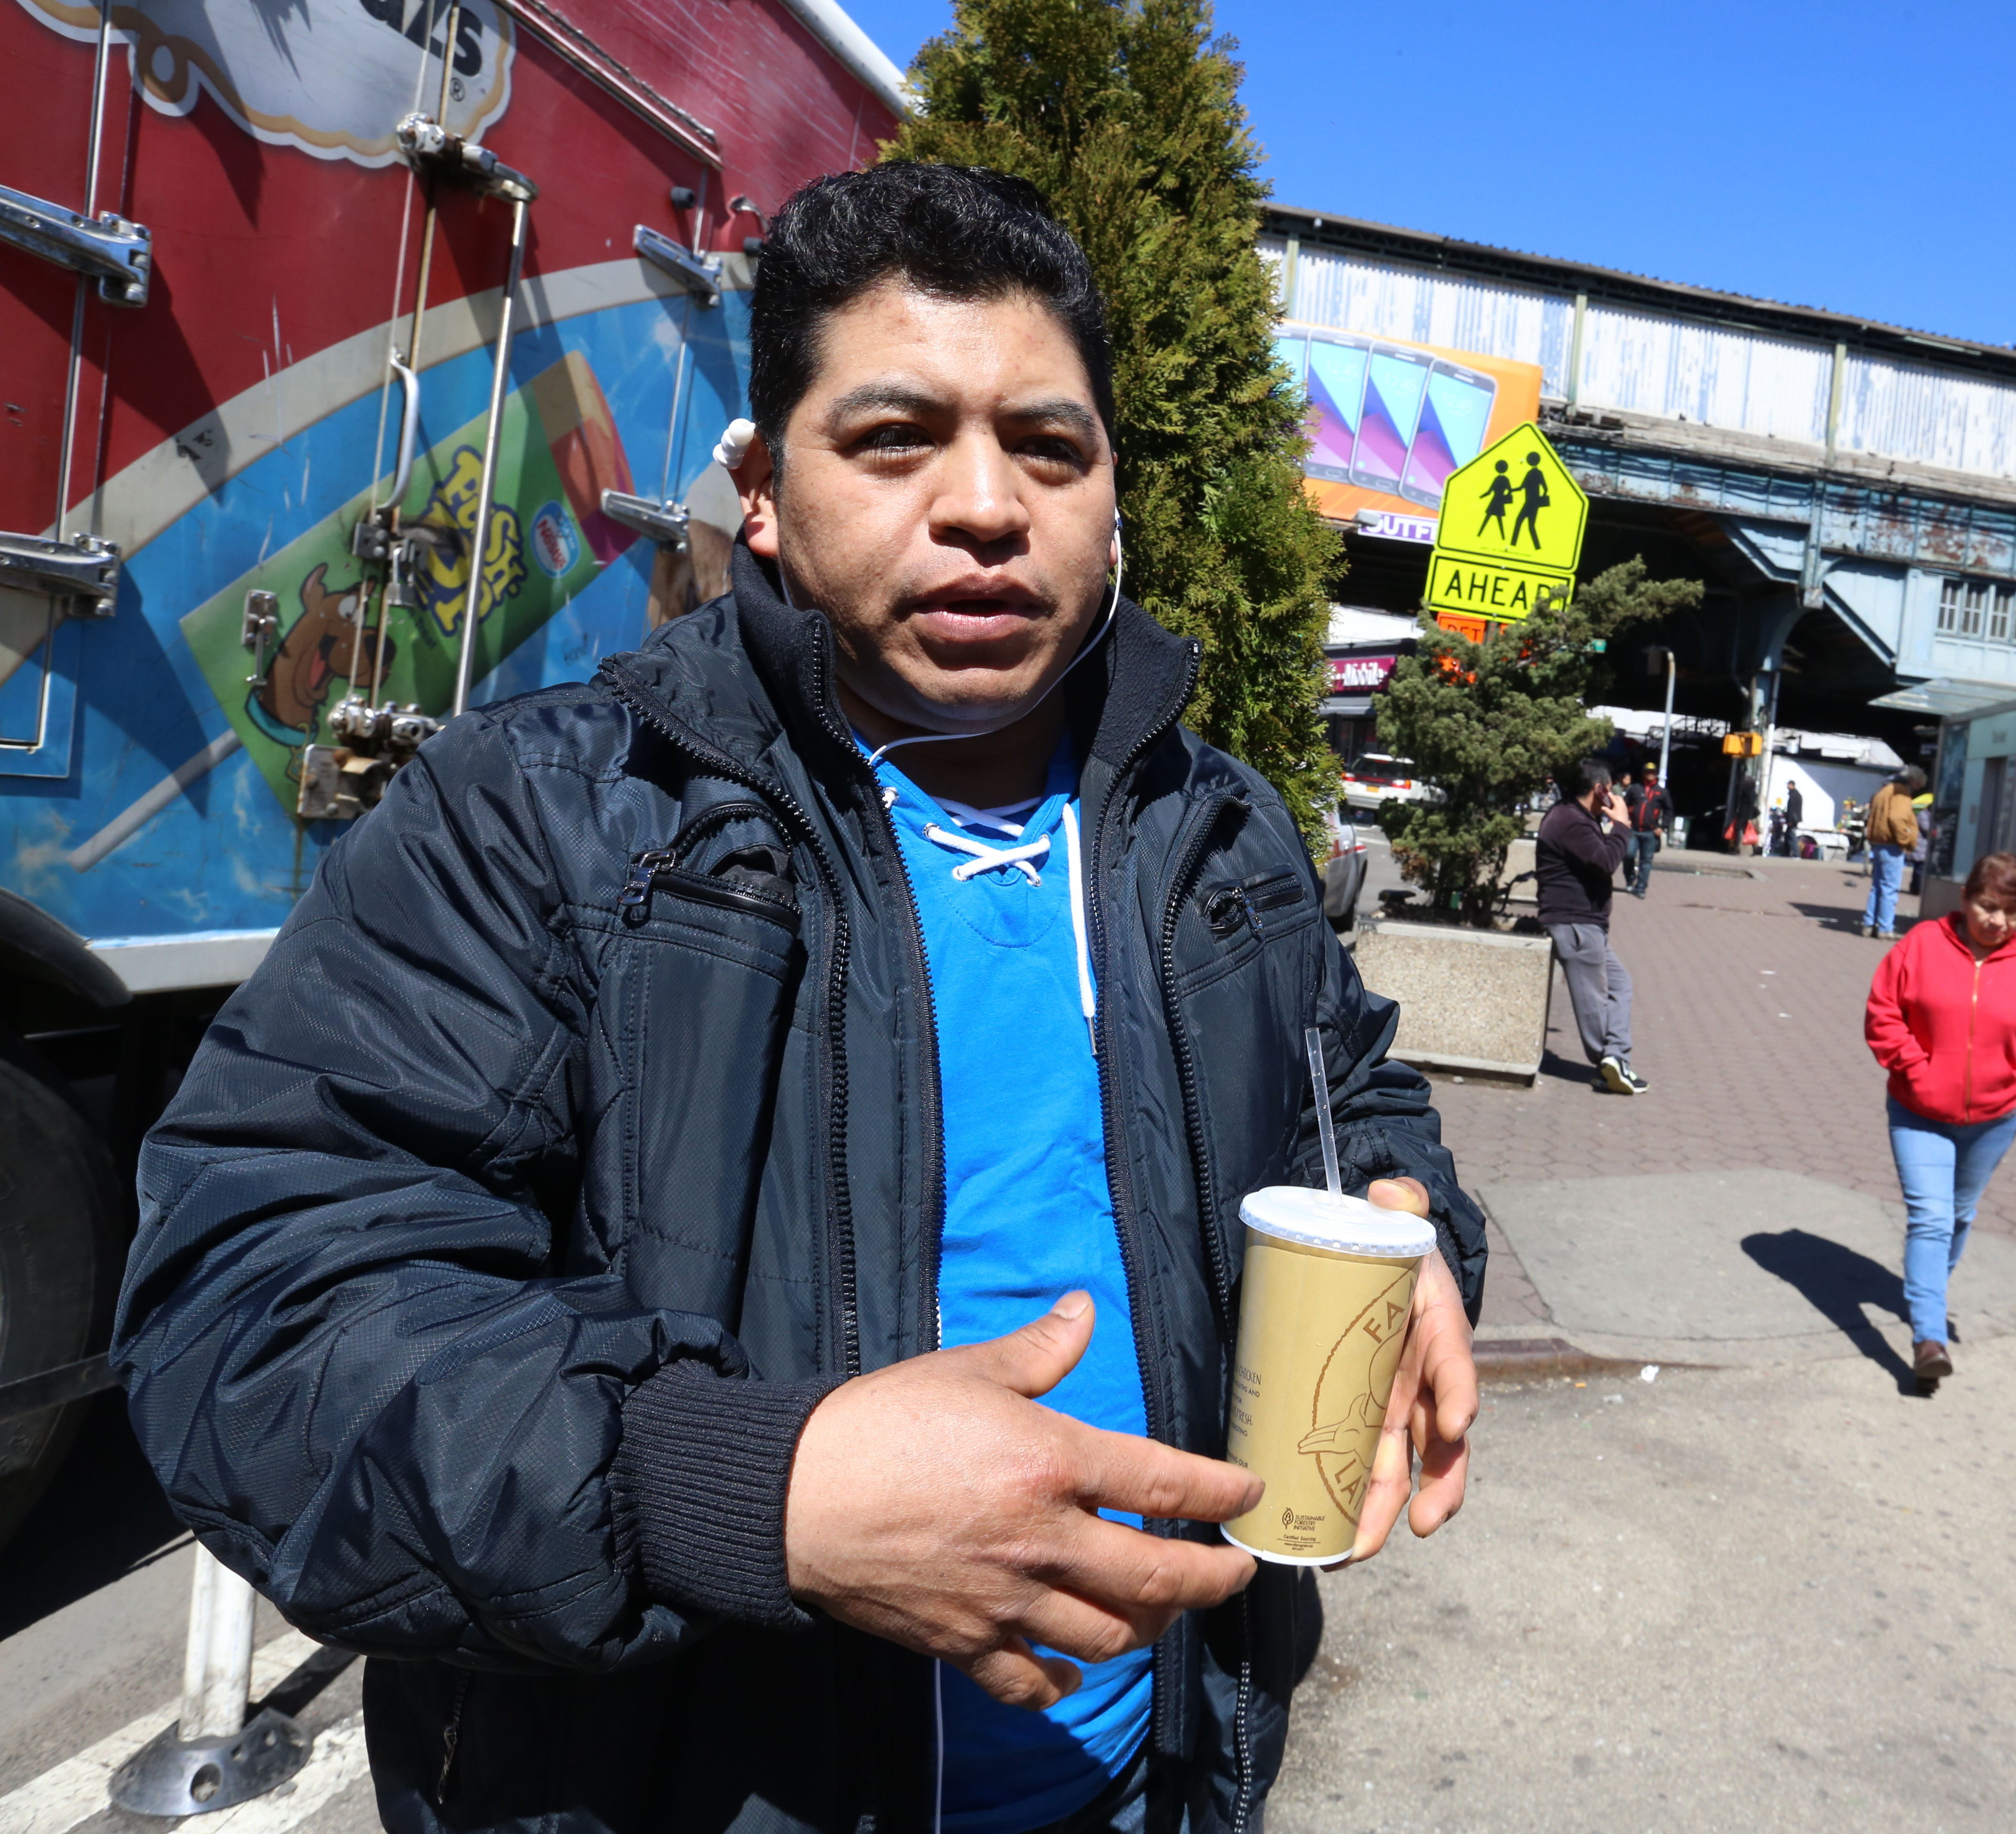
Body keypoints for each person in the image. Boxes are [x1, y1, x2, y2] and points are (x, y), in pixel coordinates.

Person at [114, 164, 1485, 1834]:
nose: (987, 504)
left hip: (1160, 1787)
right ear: (763, 491)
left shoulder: (1221, 836)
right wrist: (747, 1495)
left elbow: (1359, 1106)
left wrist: (1411, 1227)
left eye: (1050, 447)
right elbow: (253, 1321)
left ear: (1113, 493)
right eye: (895, 439)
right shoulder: (543, 816)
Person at [1862, 852, 2016, 1387]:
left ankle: (1927, 1292)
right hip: (1918, 1112)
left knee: (1960, 1215)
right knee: (1932, 1218)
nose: (1999, 922)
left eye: (2012, 912)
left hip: (1993, 1121)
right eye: (1989, 907)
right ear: (1966, 899)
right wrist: (1915, 1067)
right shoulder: (1921, 945)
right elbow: (1882, 1012)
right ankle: (1928, 1338)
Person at [1538, 757, 1649, 1095]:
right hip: (1575, 924)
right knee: (1594, 1007)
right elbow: (1606, 861)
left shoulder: (1574, 817)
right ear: (1601, 790)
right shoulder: (1571, 820)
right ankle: (1610, 1062)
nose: (1615, 795)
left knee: (1621, 986)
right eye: (1611, 789)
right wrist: (1623, 824)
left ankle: (1614, 1060)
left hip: (1586, 925)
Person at [1862, 765, 1926, 938]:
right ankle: (1885, 927)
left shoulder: (1885, 789)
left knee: (1877, 887)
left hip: (1879, 842)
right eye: (1918, 786)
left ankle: (1869, 924)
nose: (1917, 789)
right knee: (1890, 888)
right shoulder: (1901, 793)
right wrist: (1907, 837)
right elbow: (1897, 817)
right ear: (1913, 781)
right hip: (1892, 844)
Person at [1625, 760, 1672, 895]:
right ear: (1643, 773)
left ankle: (1641, 888)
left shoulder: (1662, 792)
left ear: (1656, 774)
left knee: (1646, 862)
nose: (1650, 775)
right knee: (1628, 855)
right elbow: (1625, 805)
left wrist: (1663, 827)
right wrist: (1626, 820)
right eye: (1648, 772)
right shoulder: (1635, 789)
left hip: (1651, 833)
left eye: (1653, 772)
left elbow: (1669, 811)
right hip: (1634, 830)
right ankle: (1630, 878)